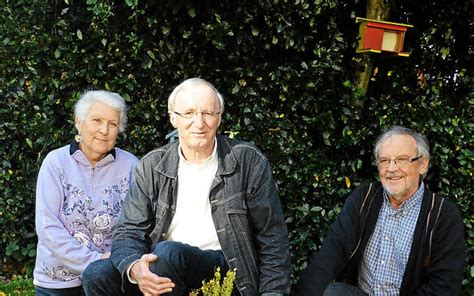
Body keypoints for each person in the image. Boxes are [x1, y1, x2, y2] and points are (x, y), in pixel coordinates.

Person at [82, 77, 291, 296]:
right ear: (173, 118)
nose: (199, 123)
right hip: (165, 265)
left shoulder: (247, 161)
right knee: (97, 274)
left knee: (167, 254)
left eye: (208, 113)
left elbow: (273, 239)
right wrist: (135, 268)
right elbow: (128, 231)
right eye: (188, 113)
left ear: (219, 118)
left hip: (223, 266)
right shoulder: (152, 165)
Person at [294, 126, 465, 296]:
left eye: (402, 159)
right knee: (334, 293)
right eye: (384, 160)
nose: (391, 169)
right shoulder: (364, 198)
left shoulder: (444, 216)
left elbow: (443, 287)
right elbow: (329, 255)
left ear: (422, 164)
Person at [33, 90, 139, 295]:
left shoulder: (131, 165)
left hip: (110, 280)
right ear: (79, 121)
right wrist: (95, 262)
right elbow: (48, 227)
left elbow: (139, 223)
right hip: (58, 283)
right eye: (97, 120)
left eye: (113, 124)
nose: (104, 130)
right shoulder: (55, 163)